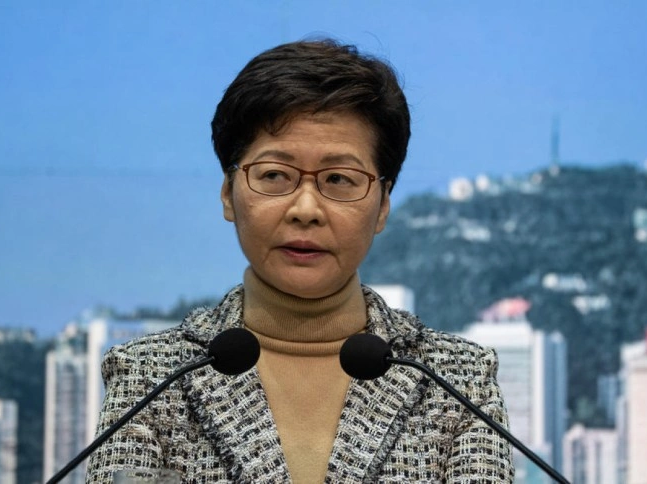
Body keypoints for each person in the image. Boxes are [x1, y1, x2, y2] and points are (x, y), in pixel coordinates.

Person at [86, 39, 514, 483]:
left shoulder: (458, 380)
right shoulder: (150, 376)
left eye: (339, 179)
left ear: (383, 204)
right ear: (228, 193)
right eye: (275, 175)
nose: (306, 209)